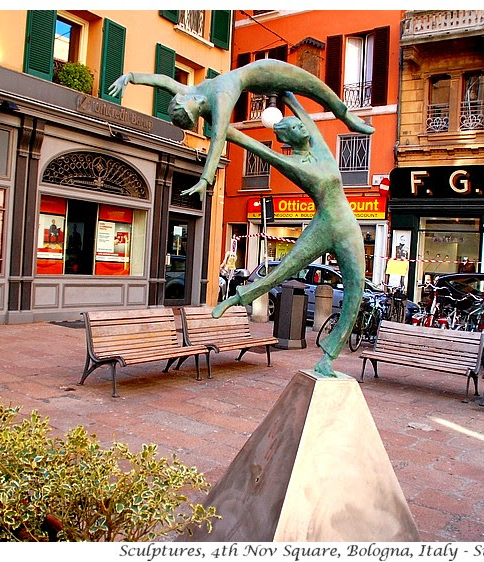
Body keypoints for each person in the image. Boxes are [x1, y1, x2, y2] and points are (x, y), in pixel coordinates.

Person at [213, 92, 366, 377]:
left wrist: (289, 96)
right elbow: (262, 151)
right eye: (294, 127)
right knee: (283, 270)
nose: (301, 127)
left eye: (298, 124)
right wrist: (228, 131)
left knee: (356, 289)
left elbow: (311, 122)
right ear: (288, 140)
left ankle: (329, 356)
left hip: (348, 227)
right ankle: (235, 299)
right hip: (324, 224)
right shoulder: (295, 164)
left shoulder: (319, 149)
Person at [108, 59, 374, 199]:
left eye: (195, 107)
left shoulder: (220, 96)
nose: (199, 105)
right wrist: (131, 78)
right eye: (198, 112)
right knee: (309, 89)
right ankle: (345, 115)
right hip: (256, 82)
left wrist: (205, 178)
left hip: (266, 71)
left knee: (315, 87)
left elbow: (218, 139)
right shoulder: (192, 93)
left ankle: (346, 116)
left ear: (188, 101)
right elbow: (164, 81)